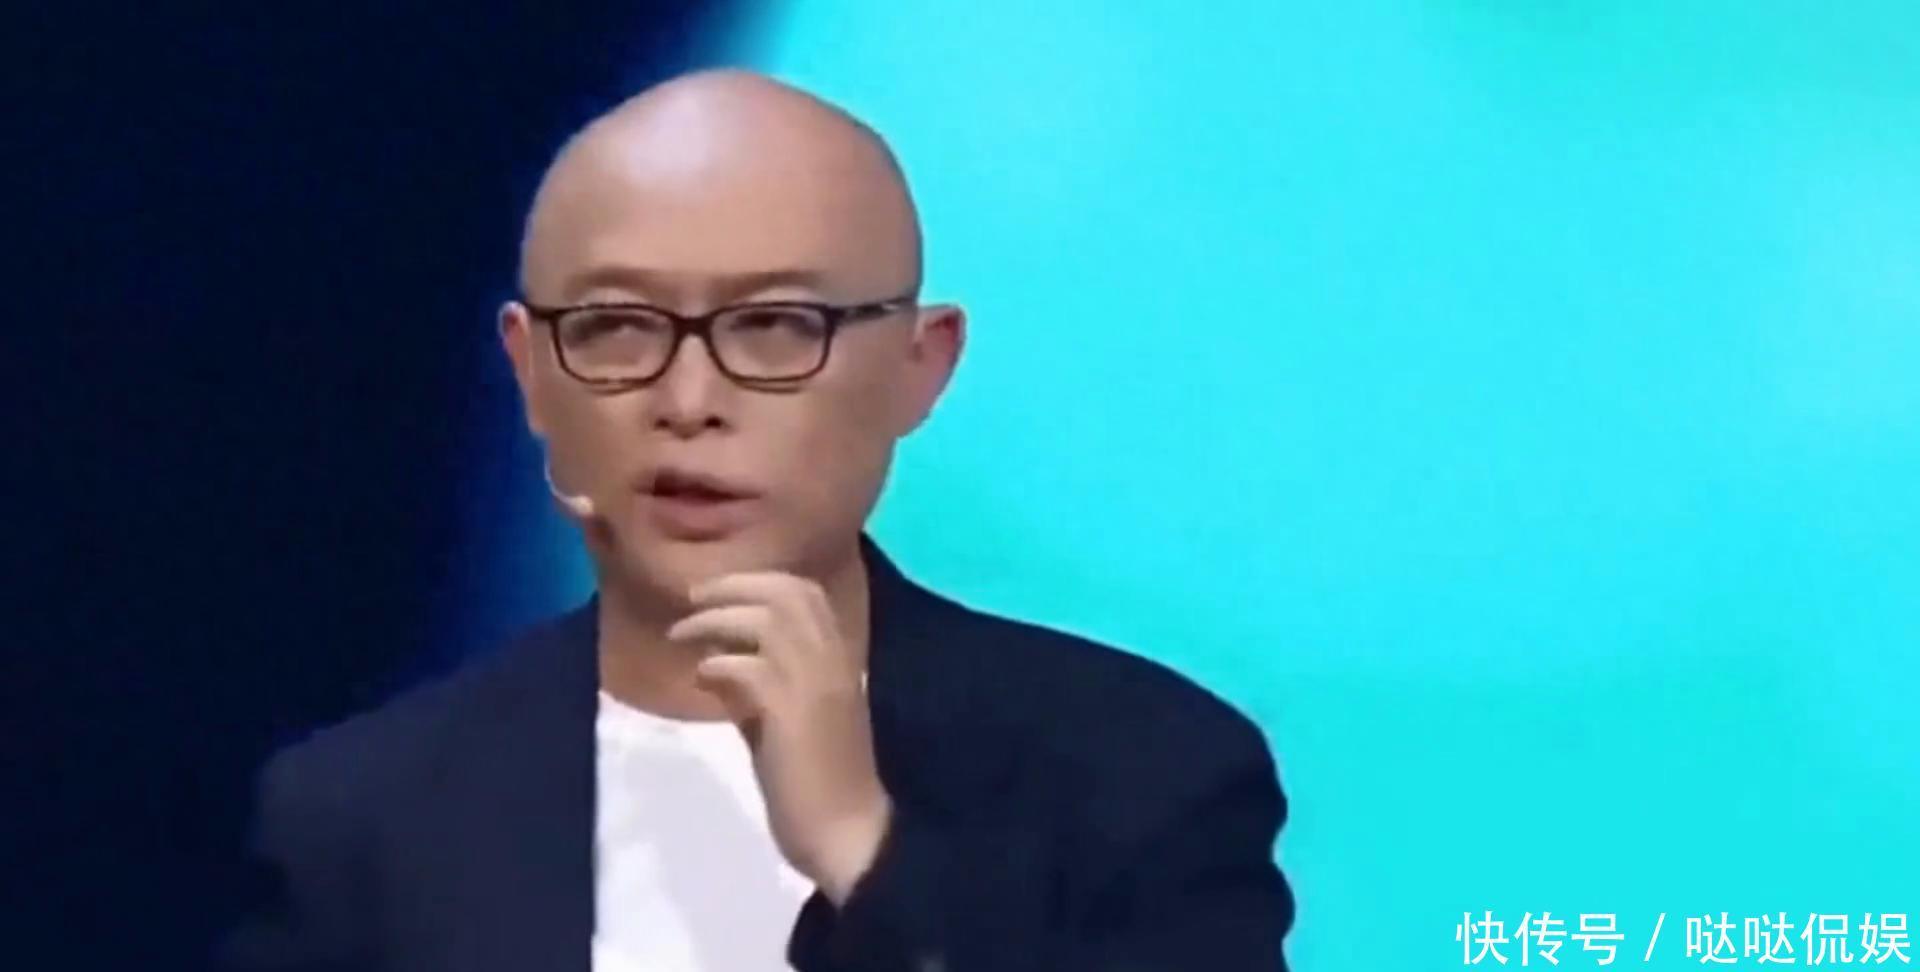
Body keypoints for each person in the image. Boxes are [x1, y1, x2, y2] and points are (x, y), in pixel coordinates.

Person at [221, 68, 1294, 972]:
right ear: (532, 371)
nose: (689, 400)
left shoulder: (1146, 777)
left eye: (778, 325)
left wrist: (867, 852)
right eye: (616, 326)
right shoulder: (362, 818)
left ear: (921, 367)